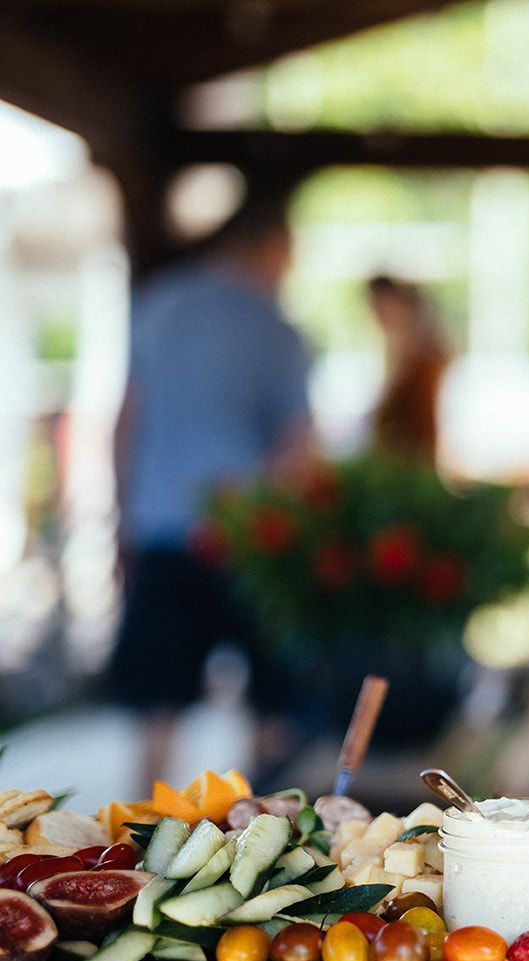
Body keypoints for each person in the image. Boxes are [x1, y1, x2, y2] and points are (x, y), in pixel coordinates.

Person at [109, 183, 313, 788]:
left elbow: (126, 420)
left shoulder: (158, 304)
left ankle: (137, 846)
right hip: (249, 538)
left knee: (156, 709)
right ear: (271, 246)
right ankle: (265, 840)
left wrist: (124, 515)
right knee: (273, 706)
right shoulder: (276, 327)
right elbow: (298, 445)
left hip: (164, 528)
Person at [366, 275, 451, 462]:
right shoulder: (397, 352)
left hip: (414, 459)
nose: (375, 315)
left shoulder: (424, 358)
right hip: (398, 459)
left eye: (379, 305)